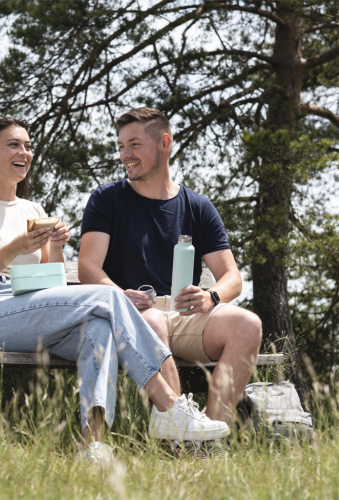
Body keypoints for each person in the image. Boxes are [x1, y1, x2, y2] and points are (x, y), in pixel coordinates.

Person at [0, 114, 230, 464]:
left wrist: (56, 247)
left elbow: (52, 283)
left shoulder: (33, 209)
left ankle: (93, 446)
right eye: (13, 145)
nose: (24, 152)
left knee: (99, 328)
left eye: (28, 146)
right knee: (109, 295)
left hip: (37, 310)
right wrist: (15, 247)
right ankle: (169, 407)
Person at [78, 107, 262, 426]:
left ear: (164, 143)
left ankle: (210, 434)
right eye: (121, 146)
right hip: (135, 316)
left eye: (135, 145)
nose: (125, 155)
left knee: (248, 325)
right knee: (153, 323)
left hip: (187, 316)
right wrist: (119, 296)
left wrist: (211, 297)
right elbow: (87, 267)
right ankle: (180, 435)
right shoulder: (106, 199)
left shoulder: (198, 206)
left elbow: (232, 277)